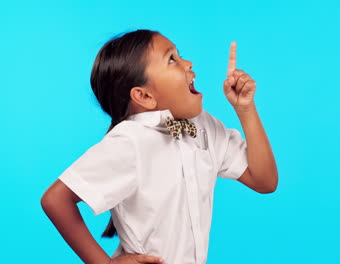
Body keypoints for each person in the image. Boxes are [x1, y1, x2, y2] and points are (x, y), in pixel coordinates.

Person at [40, 29, 278, 264]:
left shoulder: (204, 127)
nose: (188, 63)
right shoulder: (130, 141)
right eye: (172, 59)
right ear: (144, 96)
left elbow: (264, 181)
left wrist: (245, 108)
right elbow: (56, 199)